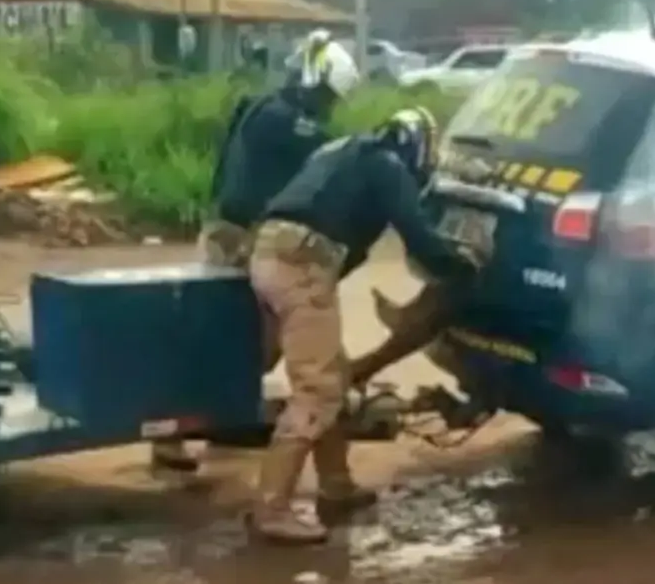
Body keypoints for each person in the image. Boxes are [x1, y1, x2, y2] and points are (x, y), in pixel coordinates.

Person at [245, 106, 483, 543]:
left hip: (269, 249)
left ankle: (337, 485)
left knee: (331, 373)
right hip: (304, 261)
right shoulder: (388, 165)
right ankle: (272, 509)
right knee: (317, 391)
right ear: (417, 148)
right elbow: (419, 237)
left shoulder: (342, 150)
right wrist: (461, 267)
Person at [148, 72, 347, 474]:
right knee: (247, 337)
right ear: (312, 83)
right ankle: (175, 428)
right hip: (240, 237)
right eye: (328, 96)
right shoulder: (283, 118)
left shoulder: (259, 106)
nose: (330, 106)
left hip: (229, 228)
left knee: (231, 335)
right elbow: (324, 149)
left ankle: (207, 417)